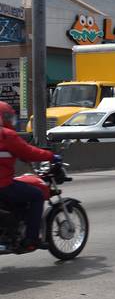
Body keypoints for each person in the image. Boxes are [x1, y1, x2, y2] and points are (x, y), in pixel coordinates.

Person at [0, 101, 58, 251]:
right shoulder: (6, 135)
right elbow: (28, 152)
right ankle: (31, 239)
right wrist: (51, 156)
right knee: (36, 195)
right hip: (3, 185)